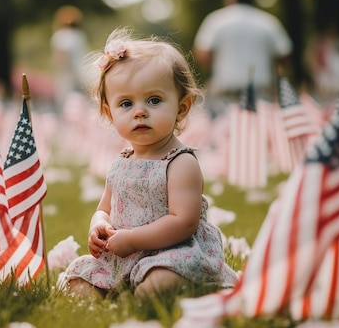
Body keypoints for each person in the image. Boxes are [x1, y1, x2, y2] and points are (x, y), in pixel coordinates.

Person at [58, 28, 239, 298]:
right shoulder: (121, 162)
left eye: (154, 100)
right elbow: (104, 209)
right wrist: (98, 225)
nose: (140, 111)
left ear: (182, 107)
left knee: (159, 283)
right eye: (126, 103)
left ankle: (152, 290)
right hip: (122, 257)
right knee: (76, 282)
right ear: (109, 112)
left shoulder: (180, 162)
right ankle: (115, 291)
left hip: (172, 253)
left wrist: (133, 239)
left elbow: (183, 223)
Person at [193, 0, 292, 117]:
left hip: (226, 93)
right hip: (261, 93)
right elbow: (285, 55)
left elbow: (202, 55)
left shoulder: (216, 20)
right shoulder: (268, 22)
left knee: (224, 134)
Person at [50, 5, 89, 113]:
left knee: (65, 103)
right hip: (80, 73)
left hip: (67, 74)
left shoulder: (60, 36)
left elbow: (61, 58)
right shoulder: (79, 35)